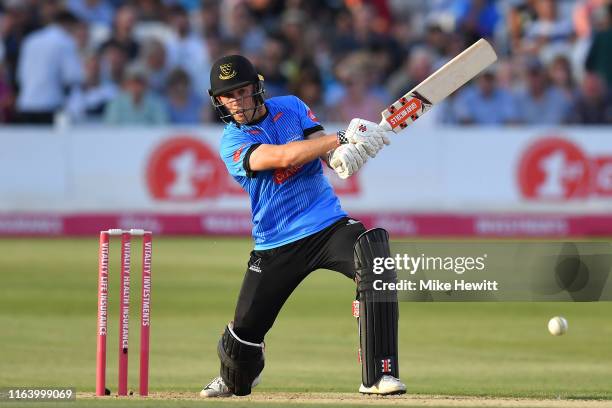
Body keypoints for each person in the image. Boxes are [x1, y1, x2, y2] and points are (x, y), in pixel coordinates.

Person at [199, 55, 405, 398]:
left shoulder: (291, 106)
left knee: (375, 257)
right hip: (275, 243)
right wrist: (340, 138)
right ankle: (238, 370)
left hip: (326, 224)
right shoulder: (231, 142)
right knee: (241, 349)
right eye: (227, 96)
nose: (235, 101)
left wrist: (340, 155)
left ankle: (379, 373)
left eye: (241, 91)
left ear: (256, 88)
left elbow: (317, 144)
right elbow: (284, 157)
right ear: (218, 100)